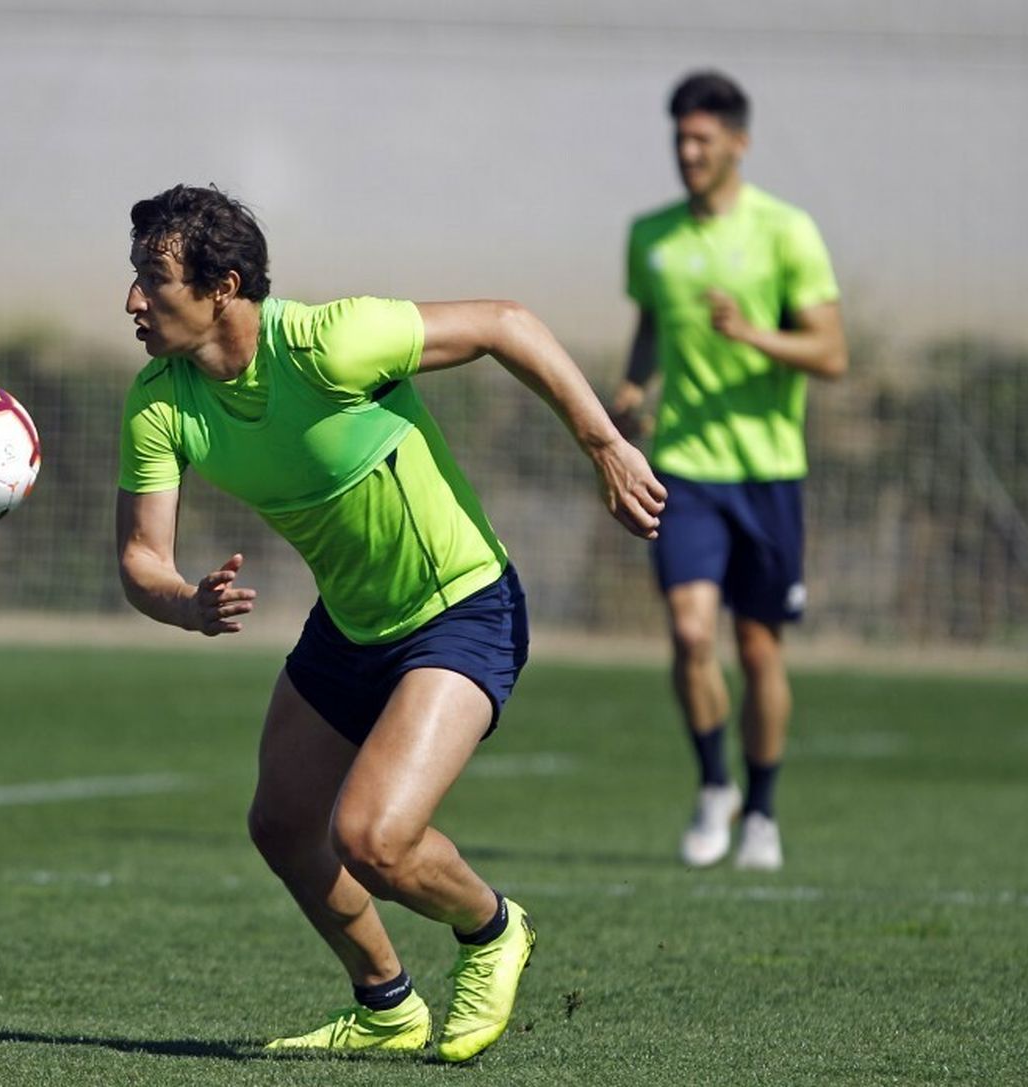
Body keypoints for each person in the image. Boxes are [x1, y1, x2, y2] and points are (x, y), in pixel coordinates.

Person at [116, 184, 666, 1060]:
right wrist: (187, 603)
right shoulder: (159, 403)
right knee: (282, 823)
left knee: (374, 838)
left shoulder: (328, 342)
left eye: (154, 278)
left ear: (223, 286)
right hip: (351, 626)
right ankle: (386, 1004)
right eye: (135, 277)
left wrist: (604, 441)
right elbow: (141, 560)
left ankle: (491, 927)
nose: (134, 301)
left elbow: (506, 322)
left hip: (463, 607)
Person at [611, 71, 847, 871]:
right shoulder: (652, 236)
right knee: (687, 632)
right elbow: (652, 321)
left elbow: (832, 352)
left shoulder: (787, 232)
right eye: (680, 138)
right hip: (684, 470)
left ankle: (765, 814)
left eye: (703, 139)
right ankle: (716, 784)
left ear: (738, 142)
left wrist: (754, 334)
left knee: (757, 649)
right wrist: (634, 388)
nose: (688, 152)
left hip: (769, 473)